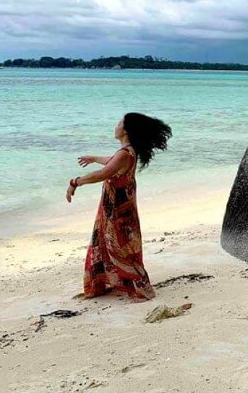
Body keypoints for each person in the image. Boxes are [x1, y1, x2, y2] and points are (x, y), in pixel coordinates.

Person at [66, 112, 172, 302]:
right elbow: (112, 162)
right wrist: (94, 158)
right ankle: (110, 282)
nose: (115, 126)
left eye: (119, 123)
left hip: (117, 207)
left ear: (126, 130)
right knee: (112, 242)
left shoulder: (124, 153)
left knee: (117, 244)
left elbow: (104, 173)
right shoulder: (128, 151)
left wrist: (75, 182)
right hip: (120, 204)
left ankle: (137, 287)